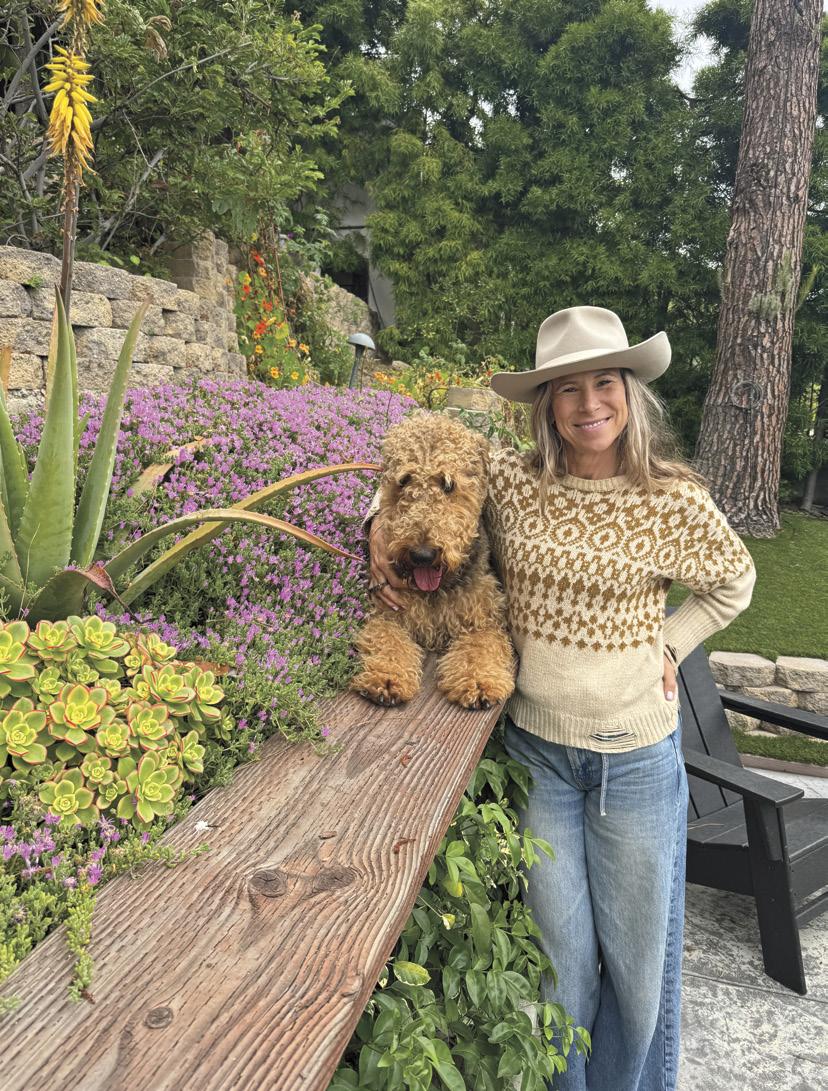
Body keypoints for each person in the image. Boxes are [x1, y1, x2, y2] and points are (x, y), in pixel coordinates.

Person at [366, 306, 756, 1091]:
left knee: (639, 976)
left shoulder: (669, 498)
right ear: (546, 403)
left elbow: (735, 580)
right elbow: (426, 485)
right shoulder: (515, 482)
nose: (588, 403)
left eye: (604, 382)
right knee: (559, 969)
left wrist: (670, 643)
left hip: (635, 765)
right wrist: (375, 529)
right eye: (568, 388)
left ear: (629, 391)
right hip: (539, 757)